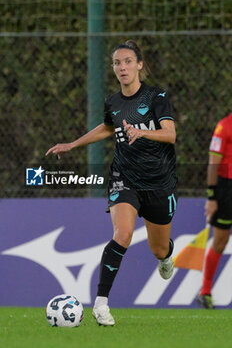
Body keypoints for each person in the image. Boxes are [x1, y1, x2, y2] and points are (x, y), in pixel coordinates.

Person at [46, 40, 178, 325]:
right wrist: (73, 144)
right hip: (124, 177)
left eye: (128, 61)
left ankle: (167, 256)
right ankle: (101, 304)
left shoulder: (156, 97)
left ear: (139, 65)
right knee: (123, 235)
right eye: (117, 63)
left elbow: (170, 135)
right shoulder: (113, 102)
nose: (122, 67)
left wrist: (143, 133)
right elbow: (108, 127)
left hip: (159, 182)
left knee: (159, 249)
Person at [197, 113, 232, 309]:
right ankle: (205, 292)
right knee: (220, 241)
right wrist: (211, 197)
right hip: (225, 189)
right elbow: (213, 164)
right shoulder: (224, 127)